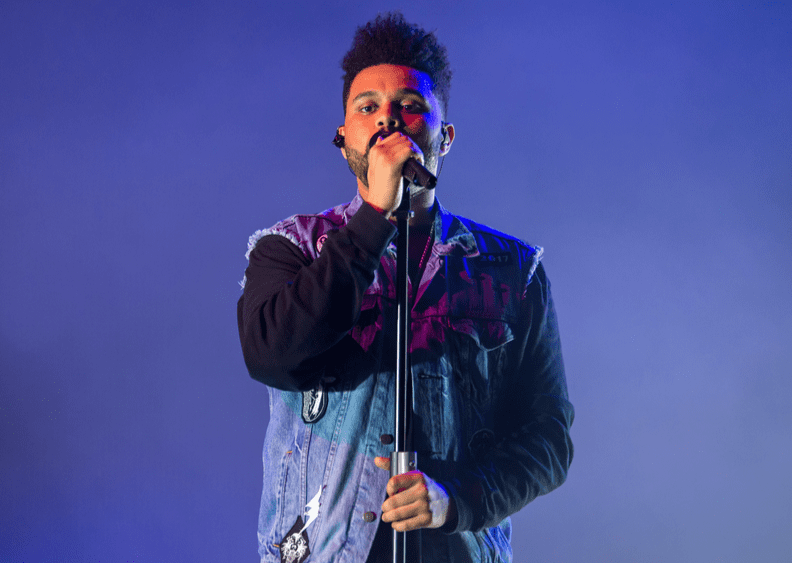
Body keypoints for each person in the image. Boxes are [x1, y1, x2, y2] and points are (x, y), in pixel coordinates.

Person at [237, 12, 574, 563]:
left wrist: (456, 500)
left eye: (410, 105)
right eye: (367, 107)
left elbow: (549, 438)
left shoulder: (512, 271)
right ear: (343, 138)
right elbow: (273, 355)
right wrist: (375, 215)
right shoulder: (290, 248)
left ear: (446, 136)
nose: (388, 119)